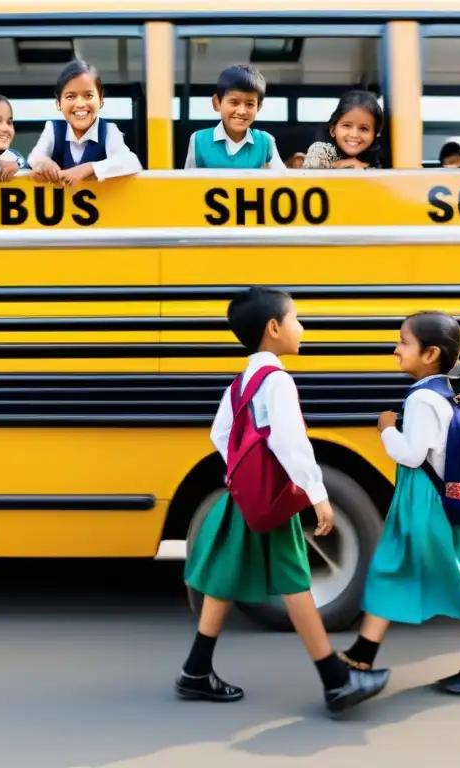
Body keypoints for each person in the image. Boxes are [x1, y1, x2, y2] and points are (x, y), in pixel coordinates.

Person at [176, 287, 390, 718]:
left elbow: (221, 435)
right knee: (296, 584)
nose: (302, 327)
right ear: (274, 329)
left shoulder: (240, 383)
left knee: (223, 580)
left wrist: (243, 474)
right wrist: (317, 495)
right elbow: (292, 442)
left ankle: (197, 670)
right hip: (275, 498)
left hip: (243, 496)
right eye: (296, 319)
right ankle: (336, 681)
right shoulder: (277, 381)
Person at [341, 311, 460, 695]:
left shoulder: (421, 399)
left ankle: (360, 657)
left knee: (393, 568)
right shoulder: (442, 392)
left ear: (430, 353)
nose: (396, 348)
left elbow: (414, 455)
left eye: (403, 341)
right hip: (442, 500)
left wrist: (386, 430)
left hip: (424, 502)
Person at [28, 59, 142, 186]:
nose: (80, 104)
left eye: (88, 96)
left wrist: (89, 168)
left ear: (101, 99)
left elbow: (131, 162)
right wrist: (43, 162)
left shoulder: (109, 130)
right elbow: (35, 156)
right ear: (58, 102)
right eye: (70, 96)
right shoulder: (53, 130)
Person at [183, 64, 286, 170]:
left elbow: (283, 180)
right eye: (234, 102)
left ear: (258, 106)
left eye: (250, 104)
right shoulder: (199, 140)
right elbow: (188, 182)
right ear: (217, 103)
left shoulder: (265, 141)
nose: (241, 111)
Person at [303, 90, 384, 170]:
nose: (354, 134)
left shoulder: (381, 155)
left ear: (376, 133)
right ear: (333, 130)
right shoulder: (321, 152)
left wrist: (365, 168)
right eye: (347, 125)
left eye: (363, 129)